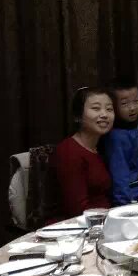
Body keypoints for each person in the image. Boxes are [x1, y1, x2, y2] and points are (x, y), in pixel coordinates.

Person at [54, 87, 115, 217]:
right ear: (78, 116)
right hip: (79, 223)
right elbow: (77, 210)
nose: (104, 114)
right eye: (96, 108)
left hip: (104, 218)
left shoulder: (102, 146)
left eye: (109, 109)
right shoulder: (69, 151)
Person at [101, 77, 138, 205]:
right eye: (124, 104)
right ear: (113, 106)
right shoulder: (116, 137)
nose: (132, 108)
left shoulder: (134, 127)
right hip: (135, 198)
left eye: (136, 101)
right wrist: (124, 205)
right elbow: (119, 176)